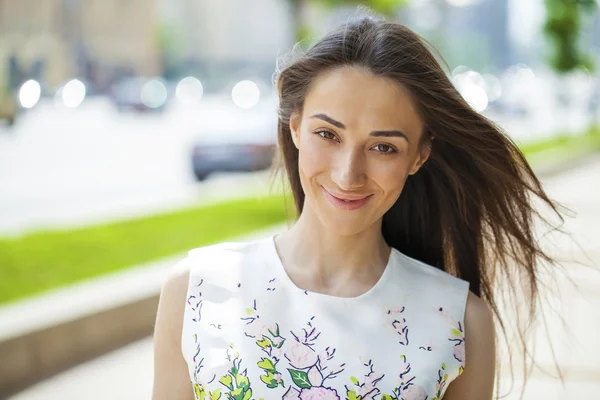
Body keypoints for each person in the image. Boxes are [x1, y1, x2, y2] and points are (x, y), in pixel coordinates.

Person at [152, 14, 564, 400]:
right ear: (295, 127)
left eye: (383, 147)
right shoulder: (196, 291)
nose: (348, 175)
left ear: (419, 156)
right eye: (328, 134)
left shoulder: (460, 322)